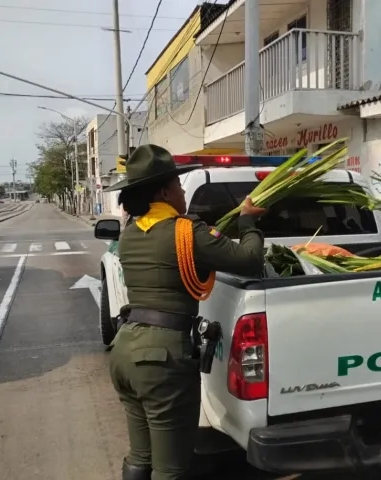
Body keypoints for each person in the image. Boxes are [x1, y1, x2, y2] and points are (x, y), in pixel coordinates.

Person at [103, 144, 266, 480]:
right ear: (163, 191)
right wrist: (248, 222)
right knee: (171, 469)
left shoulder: (131, 234)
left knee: (141, 456)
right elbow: (249, 260)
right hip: (162, 360)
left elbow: (201, 249)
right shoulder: (186, 233)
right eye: (177, 186)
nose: (181, 191)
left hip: (125, 351)